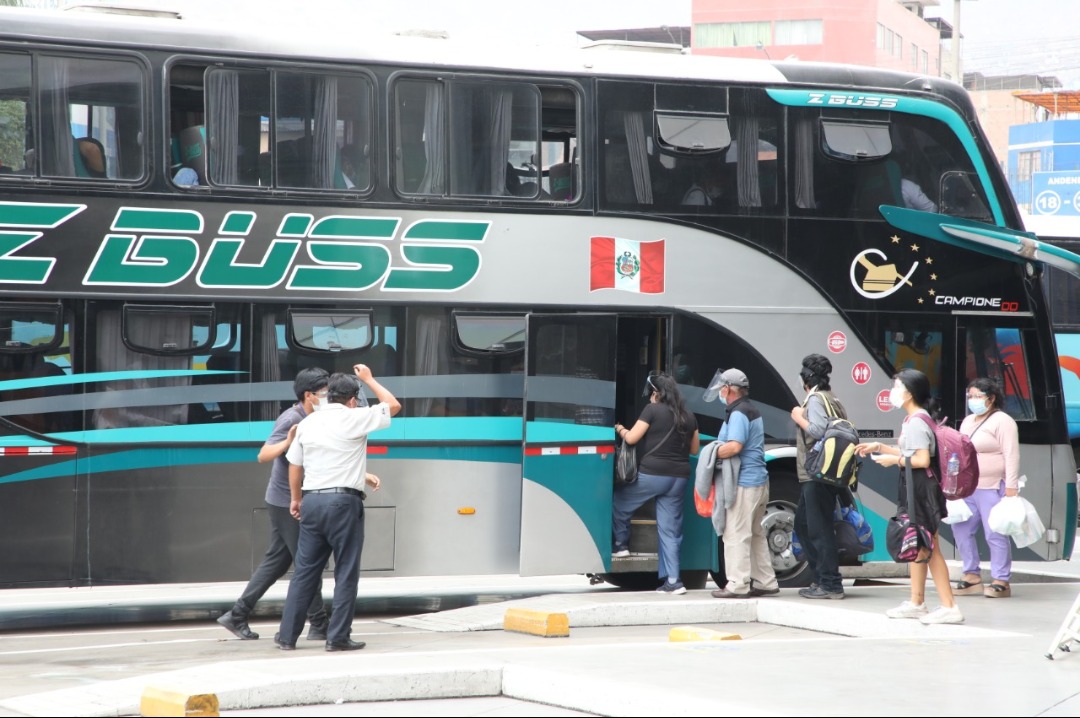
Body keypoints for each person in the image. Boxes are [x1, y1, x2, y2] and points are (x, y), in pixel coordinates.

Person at [274, 365, 401, 651]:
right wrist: (369, 378)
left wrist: (296, 499)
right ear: (353, 399)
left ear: (328, 396)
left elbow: (295, 465)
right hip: (343, 503)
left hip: (312, 501)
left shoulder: (308, 422)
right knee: (345, 571)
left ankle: (286, 637)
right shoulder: (356, 417)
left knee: (304, 572)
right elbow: (393, 405)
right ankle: (338, 637)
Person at [216, 367, 332, 641]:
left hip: (293, 499)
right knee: (308, 561)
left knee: (278, 561)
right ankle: (318, 624)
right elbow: (263, 454)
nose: (328, 397)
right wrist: (287, 442)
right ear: (309, 395)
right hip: (286, 502)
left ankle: (237, 614)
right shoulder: (291, 418)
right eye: (325, 393)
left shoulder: (317, 416)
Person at [855, 368, 963, 624]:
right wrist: (881, 447)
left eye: (897, 387)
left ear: (910, 392)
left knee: (929, 545)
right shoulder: (915, 419)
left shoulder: (916, 421)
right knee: (918, 543)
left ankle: (949, 606)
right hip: (917, 487)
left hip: (922, 489)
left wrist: (894, 460)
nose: (893, 392)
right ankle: (917, 602)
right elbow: (911, 451)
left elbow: (922, 459)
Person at [612, 372, 700, 595]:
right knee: (670, 531)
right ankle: (674, 581)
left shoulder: (652, 410)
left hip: (653, 474)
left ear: (655, 393)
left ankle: (621, 546)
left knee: (620, 502)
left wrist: (620, 429)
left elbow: (632, 438)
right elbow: (694, 450)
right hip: (679, 478)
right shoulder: (689, 416)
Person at [704, 368, 780, 599]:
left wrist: (712, 454)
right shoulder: (751, 409)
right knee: (755, 533)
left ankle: (737, 584)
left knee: (735, 534)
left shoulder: (738, 413)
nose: (720, 392)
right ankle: (766, 581)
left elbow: (735, 446)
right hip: (759, 481)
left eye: (722, 388)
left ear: (728, 389)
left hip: (744, 483)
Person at [953, 378, 1020, 598]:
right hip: (969, 487)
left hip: (993, 486)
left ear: (990, 398)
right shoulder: (968, 421)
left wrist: (1011, 487)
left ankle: (1001, 579)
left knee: (995, 533)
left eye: (977, 396)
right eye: (970, 396)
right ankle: (971, 575)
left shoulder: (1003, 421)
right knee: (961, 528)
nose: (973, 400)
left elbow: (1011, 454)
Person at [790, 354, 847, 600]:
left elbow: (818, 429)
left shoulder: (814, 399)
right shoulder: (832, 397)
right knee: (804, 525)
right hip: (826, 472)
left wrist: (797, 417)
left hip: (816, 472)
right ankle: (821, 578)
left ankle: (830, 583)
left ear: (805, 379)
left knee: (819, 528)